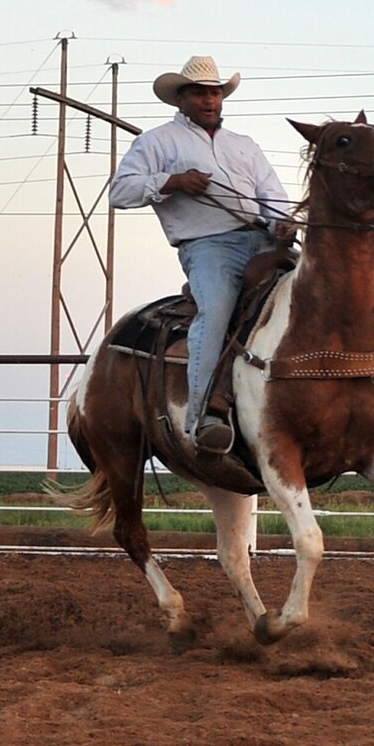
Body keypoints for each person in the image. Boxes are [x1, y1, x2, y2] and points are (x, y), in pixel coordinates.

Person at [112, 55, 296, 455]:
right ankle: (200, 419)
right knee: (214, 311)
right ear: (181, 99)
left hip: (263, 241)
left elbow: (274, 198)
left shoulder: (244, 146)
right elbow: (120, 192)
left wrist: (284, 224)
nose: (209, 100)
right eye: (199, 93)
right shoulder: (156, 142)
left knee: (324, 290)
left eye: (214, 92)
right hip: (208, 246)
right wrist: (172, 181)